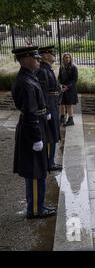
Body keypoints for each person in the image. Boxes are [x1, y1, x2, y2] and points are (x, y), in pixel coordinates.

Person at [11, 47, 56, 219]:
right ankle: (36, 209)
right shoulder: (25, 82)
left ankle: (37, 204)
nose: (38, 61)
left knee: (36, 170)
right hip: (32, 132)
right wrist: (37, 138)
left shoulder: (29, 78)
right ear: (25, 60)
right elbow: (30, 112)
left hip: (35, 127)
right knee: (36, 172)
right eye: (35, 58)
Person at [36, 46, 62, 172]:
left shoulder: (47, 69)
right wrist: (46, 110)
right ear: (45, 56)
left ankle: (50, 161)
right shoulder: (42, 70)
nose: (53, 55)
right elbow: (42, 93)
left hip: (53, 105)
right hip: (49, 107)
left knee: (53, 135)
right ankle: (48, 163)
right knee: (50, 136)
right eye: (51, 53)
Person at [58, 53, 78, 126]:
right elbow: (59, 77)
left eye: (68, 57)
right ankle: (62, 118)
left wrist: (67, 87)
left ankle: (70, 119)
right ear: (63, 58)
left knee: (69, 105)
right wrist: (60, 85)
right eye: (65, 57)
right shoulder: (62, 67)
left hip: (70, 89)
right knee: (62, 103)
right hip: (62, 88)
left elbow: (75, 80)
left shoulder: (73, 68)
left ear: (70, 58)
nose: (67, 59)